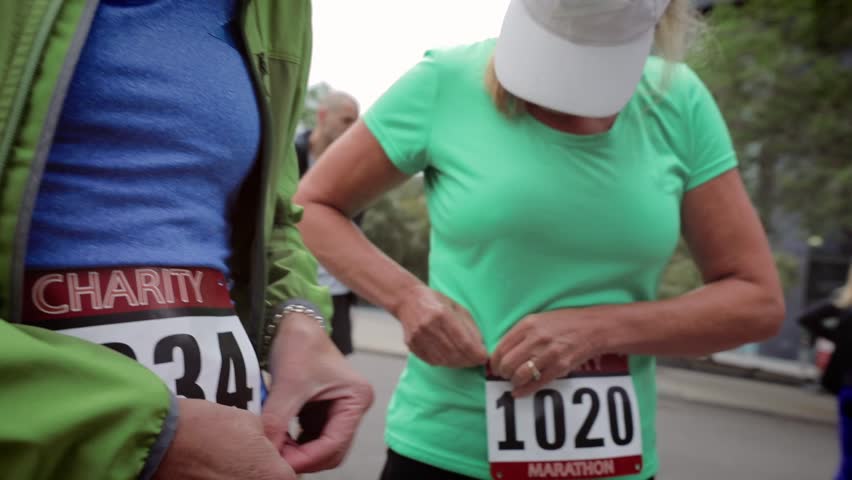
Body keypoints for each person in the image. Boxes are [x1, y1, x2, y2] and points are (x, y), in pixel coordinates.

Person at [294, 0, 785, 479]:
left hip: (614, 466)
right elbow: (311, 206)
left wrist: (599, 329)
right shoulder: (446, 80)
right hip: (445, 455)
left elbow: (755, 300)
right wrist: (405, 298)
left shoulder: (680, 101)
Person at [0, 1, 372, 479]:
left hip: (233, 445)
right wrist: (137, 430)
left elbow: (273, 215)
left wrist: (294, 321)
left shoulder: (283, 9)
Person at [296, 91, 361, 355]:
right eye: (346, 120)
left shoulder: (355, 169)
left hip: (335, 287)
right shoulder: (288, 156)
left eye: (356, 123)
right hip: (292, 283)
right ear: (323, 115)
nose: (352, 129)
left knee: (333, 380)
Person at [799, 264, 852, 480]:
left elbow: (807, 318)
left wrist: (836, 338)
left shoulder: (845, 305)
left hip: (848, 391)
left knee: (848, 462)